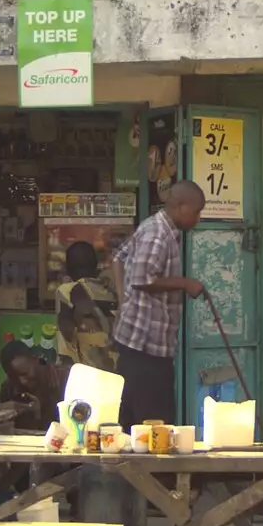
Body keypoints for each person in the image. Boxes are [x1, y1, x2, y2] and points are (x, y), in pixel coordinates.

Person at [112, 181, 206, 427]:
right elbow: (143, 279)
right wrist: (185, 283)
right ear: (181, 206)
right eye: (196, 212)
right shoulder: (158, 234)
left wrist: (124, 302)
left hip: (140, 344)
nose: (198, 219)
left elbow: (118, 258)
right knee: (155, 423)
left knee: (133, 420)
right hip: (145, 346)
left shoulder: (155, 228)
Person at [55, 241, 118, 372]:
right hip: (114, 370)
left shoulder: (67, 291)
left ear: (68, 269)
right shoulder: (111, 292)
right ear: (96, 265)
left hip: (84, 373)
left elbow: (66, 338)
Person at [0, 339, 70, 432]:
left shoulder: (63, 379)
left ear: (35, 359)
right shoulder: (8, 389)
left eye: (24, 373)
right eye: (14, 377)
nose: (22, 381)